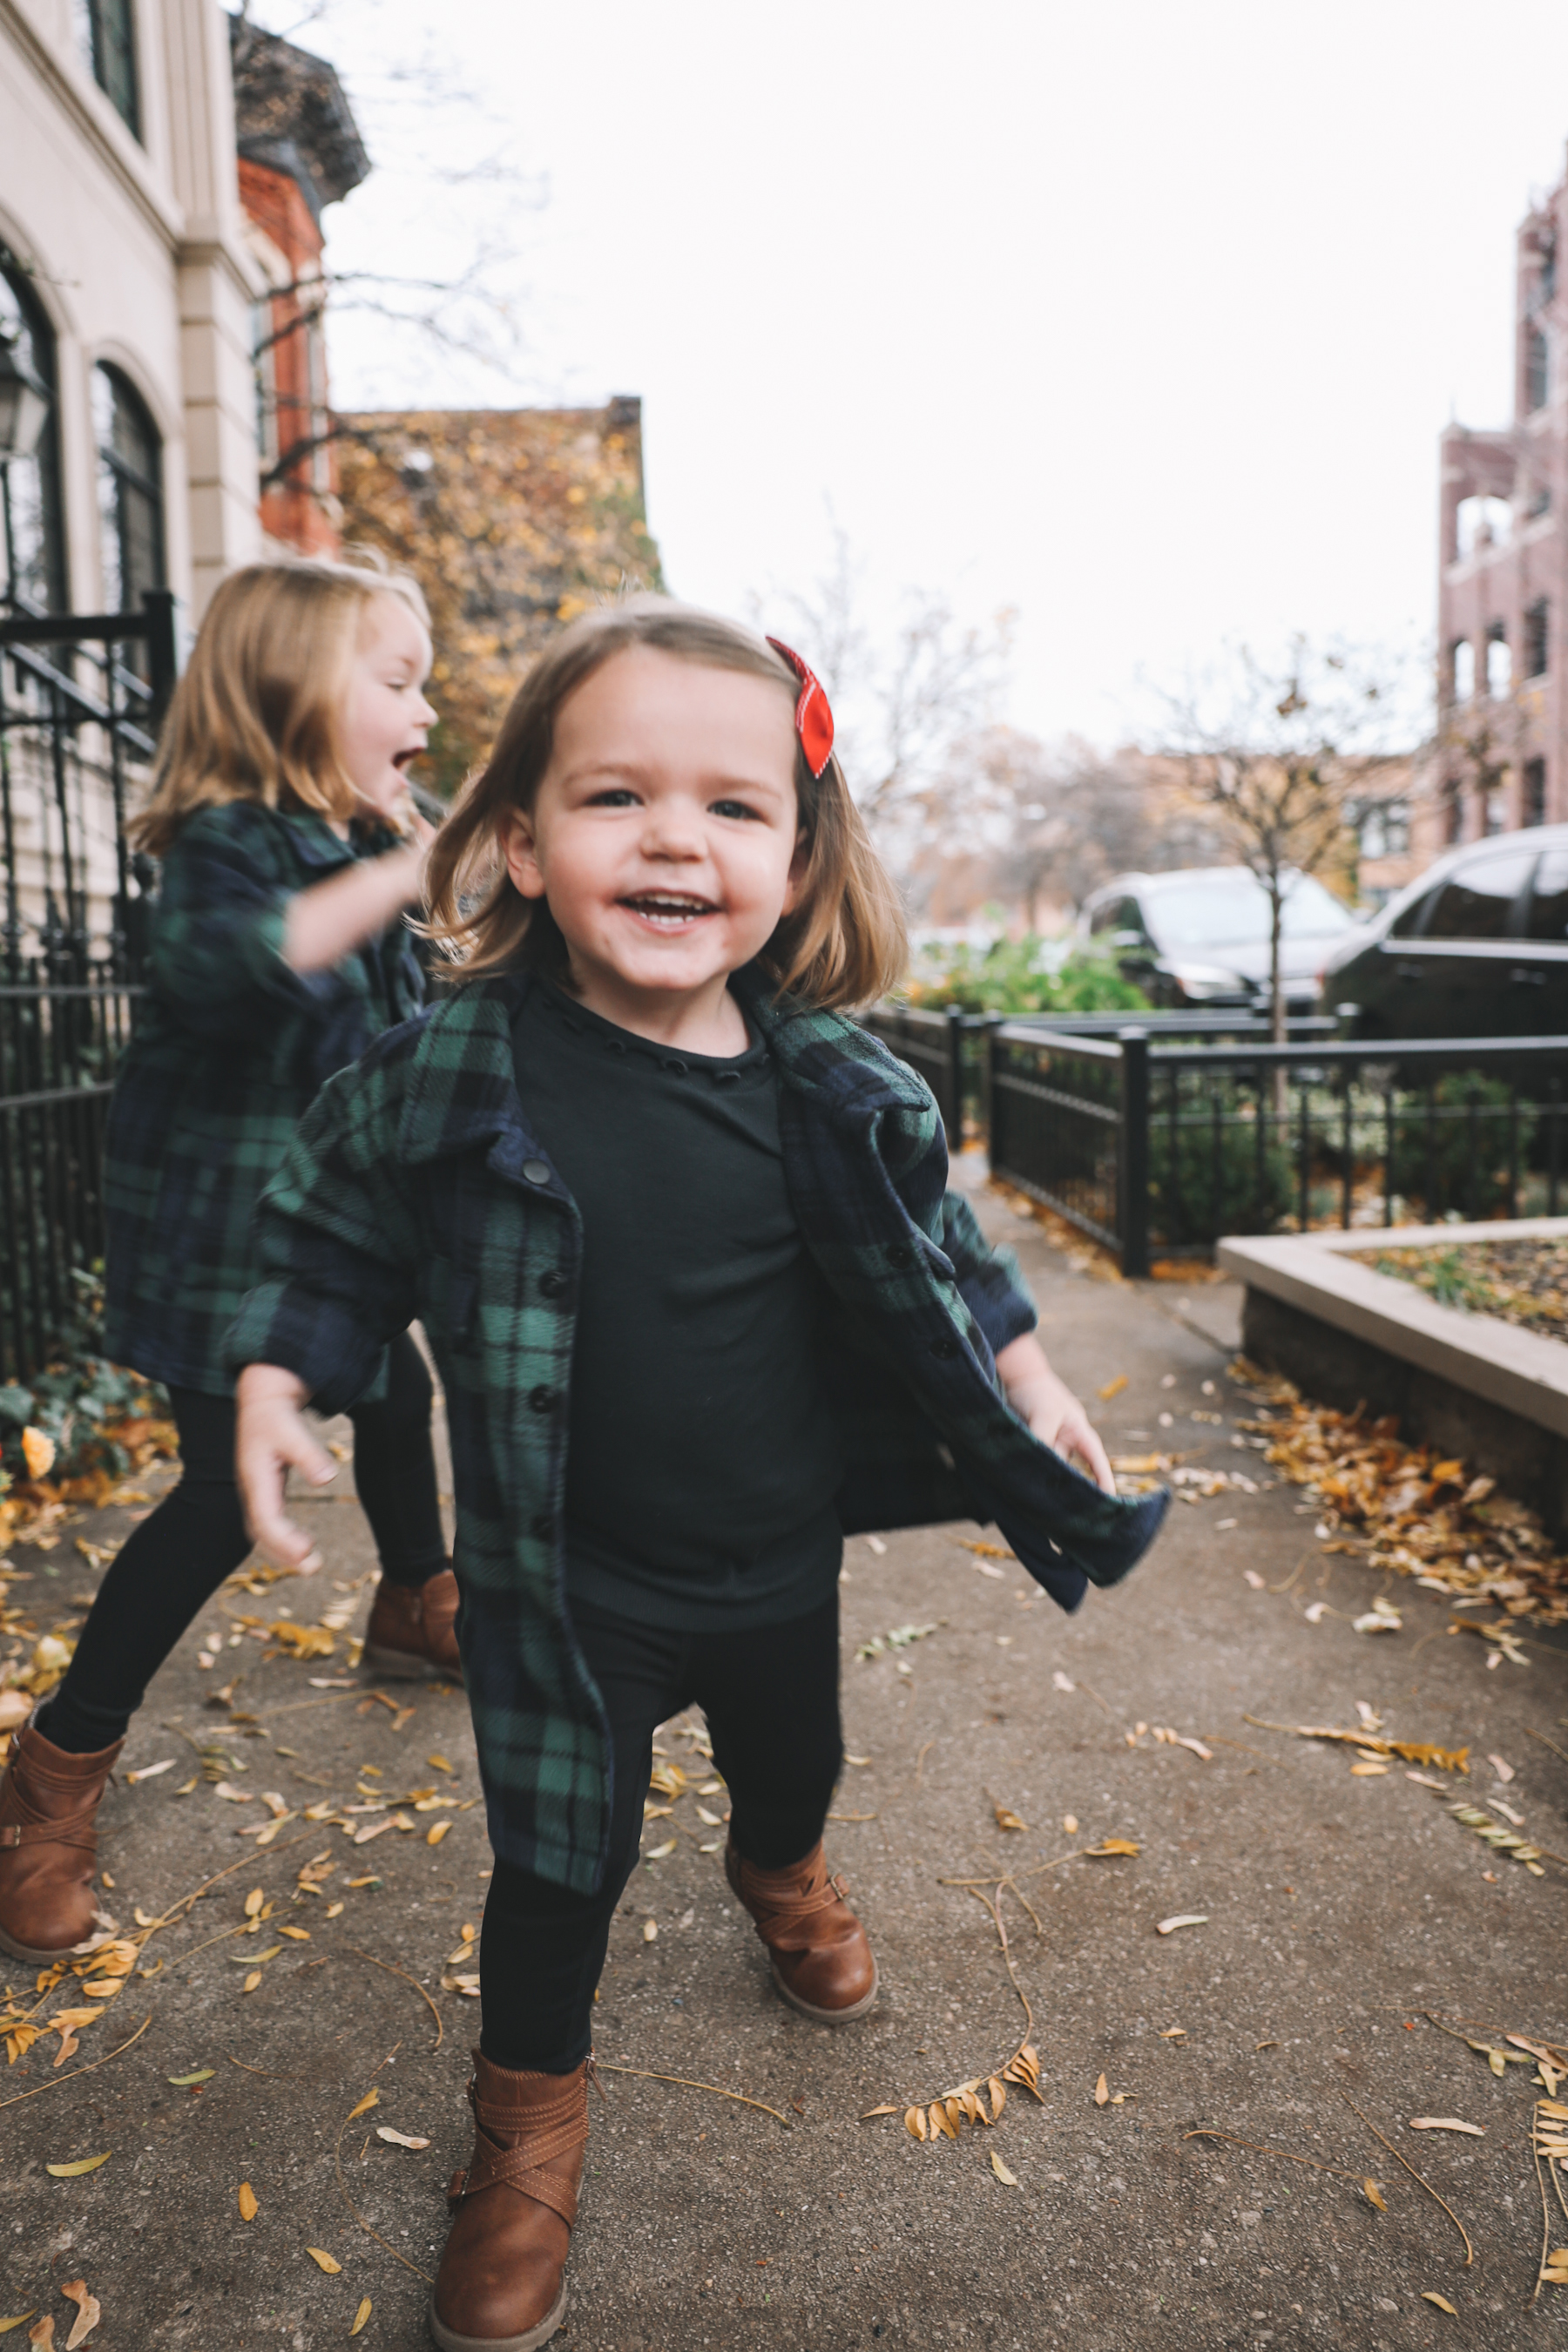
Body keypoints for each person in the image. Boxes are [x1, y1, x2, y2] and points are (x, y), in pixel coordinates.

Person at [226, 598, 1169, 2352]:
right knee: (554, 1868)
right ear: (517, 839)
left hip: (774, 1559)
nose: (675, 837)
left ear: (797, 864)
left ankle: (780, 1868)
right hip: (562, 1583)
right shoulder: (452, 1065)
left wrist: (1026, 1369)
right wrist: (285, 1366)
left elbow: (940, 1247)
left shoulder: (834, 1089)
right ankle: (526, 2132)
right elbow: (332, 1217)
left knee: (791, 1767)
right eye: (616, 798)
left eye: (733, 807)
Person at [0, 557, 459, 1970]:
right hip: (233, 1230)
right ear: (287, 688)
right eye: (399, 682)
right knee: (218, 1495)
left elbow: (414, 1007)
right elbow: (241, 969)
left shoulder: (365, 834)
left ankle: (415, 1602)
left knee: (396, 1392)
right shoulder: (225, 840)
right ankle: (51, 1773)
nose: (427, 715)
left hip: (345, 1213)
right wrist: (405, 868)